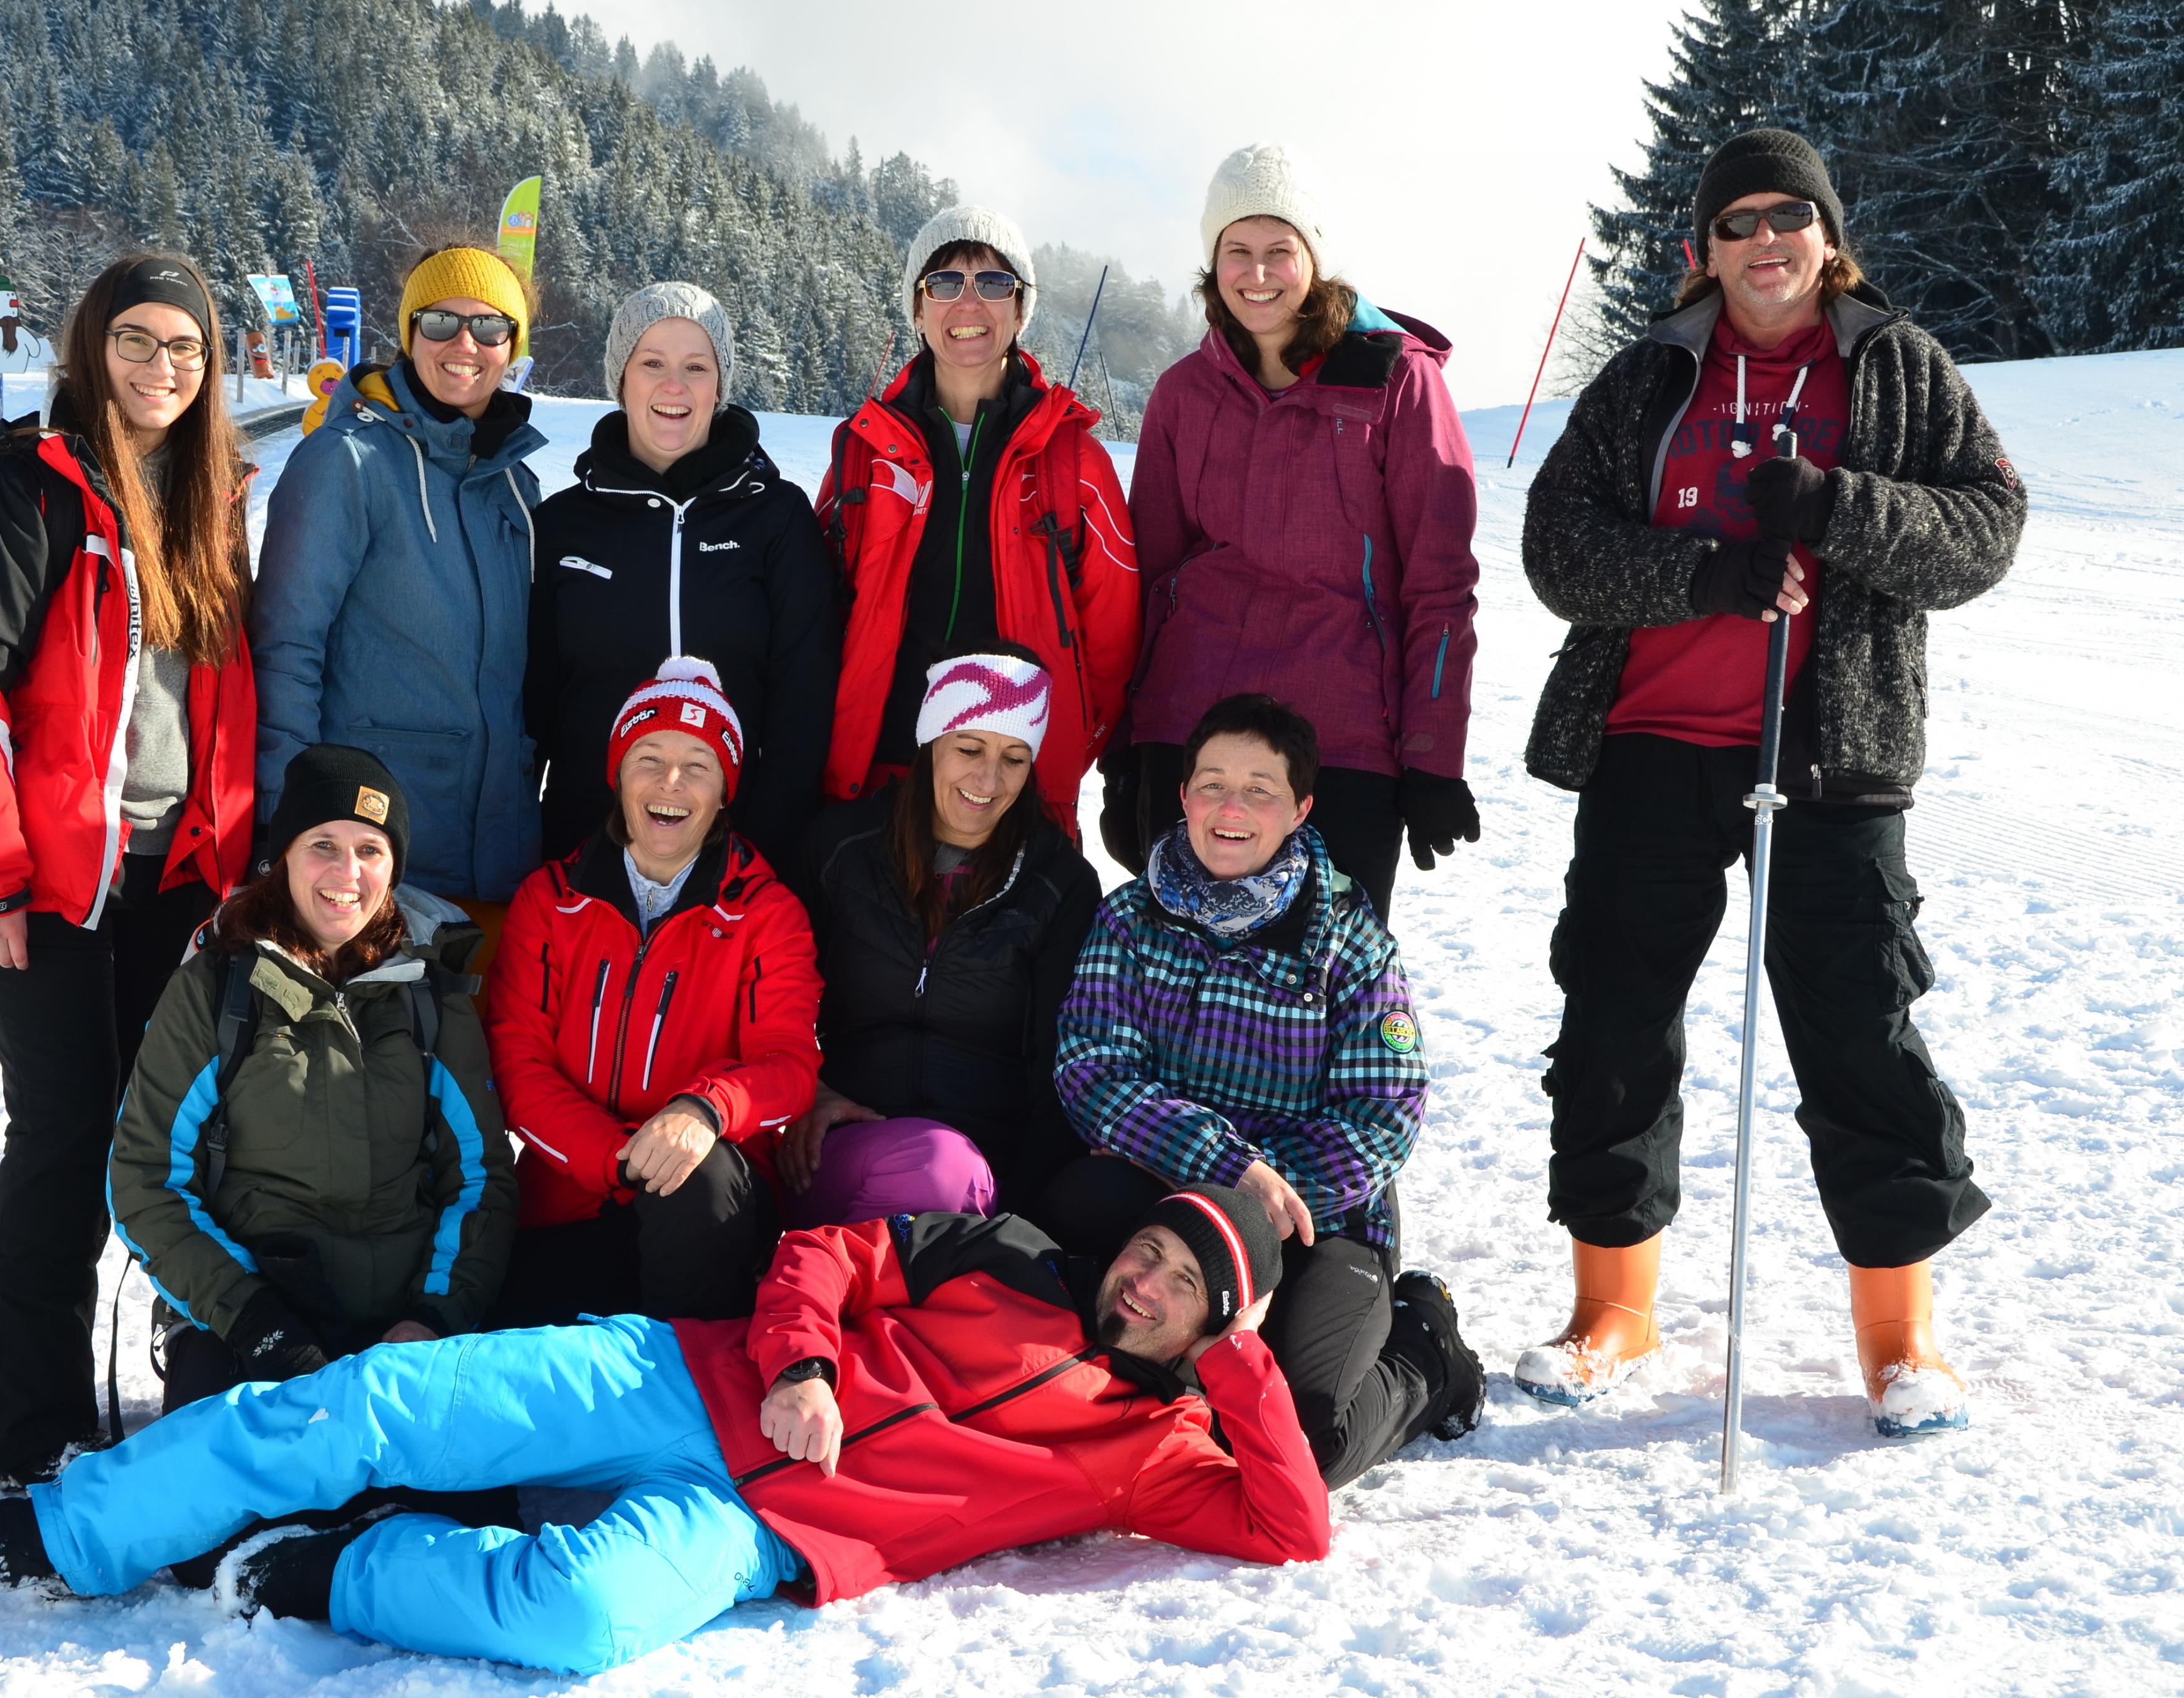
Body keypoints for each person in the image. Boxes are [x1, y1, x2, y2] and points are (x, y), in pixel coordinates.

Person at [0, 1184, 1328, 1675]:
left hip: (765, 1528)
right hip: (675, 1377)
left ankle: (324, 1567)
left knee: (580, 1617)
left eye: (1183, 1287)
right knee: (367, 1403)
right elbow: (827, 1252)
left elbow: (1290, 1525)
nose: (1143, 1281)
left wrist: (1243, 1358)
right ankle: (69, 1531)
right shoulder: (1008, 1252)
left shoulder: (1156, 1456)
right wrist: (804, 1363)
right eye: (1150, 1248)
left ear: (1215, 1325)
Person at [1515, 129, 2021, 1436]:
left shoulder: (1897, 365)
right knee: (1614, 1020)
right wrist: (1704, 574)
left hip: (1831, 753)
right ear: (1703, 249)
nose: (1763, 240)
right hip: (1651, 741)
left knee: (1858, 1028)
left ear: (1824, 234)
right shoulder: (1647, 376)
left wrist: (1842, 506)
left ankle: (1899, 1337)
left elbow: (1985, 529)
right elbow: (1557, 546)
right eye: (1735, 221)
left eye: (1786, 215)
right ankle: (1611, 1308)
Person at [0, 252, 257, 1482]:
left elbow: (219, 697)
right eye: (137, 340)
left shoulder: (211, 495)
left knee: (151, 1133)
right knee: (63, 1130)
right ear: (92, 346)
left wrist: (229, 859)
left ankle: (141, 1377)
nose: (162, 367)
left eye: (186, 348)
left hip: (170, 874)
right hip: (44, 877)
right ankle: (17, 1425)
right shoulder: (27, 487)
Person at [1045, 693, 1484, 1487]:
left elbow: (1383, 1116)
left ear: (1300, 808)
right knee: (1068, 1331)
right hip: (1168, 1193)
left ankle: (1425, 1352)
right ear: (1183, 795)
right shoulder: (1130, 919)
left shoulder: (1349, 937)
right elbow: (1092, 1071)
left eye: (1259, 790)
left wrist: (1263, 1200)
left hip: (1316, 1218)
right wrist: (1226, 1173)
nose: (1231, 809)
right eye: (1213, 785)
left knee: (1301, 1438)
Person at [106, 744, 520, 1580]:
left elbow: (479, 1179)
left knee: (471, 1525)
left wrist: (432, 1320)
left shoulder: (430, 995)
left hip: (396, 1322)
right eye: (323, 845)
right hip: (255, 1315)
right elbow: (144, 1178)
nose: (347, 873)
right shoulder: (217, 989)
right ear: (283, 858)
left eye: (371, 851)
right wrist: (256, 1321)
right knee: (207, 1540)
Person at [1110, 143, 1482, 924]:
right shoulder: (1183, 393)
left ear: (1312, 256)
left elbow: (1440, 584)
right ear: (1211, 263)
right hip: (1190, 731)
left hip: (1339, 742)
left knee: (1320, 979)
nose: (1257, 273)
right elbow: (1146, 581)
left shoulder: (1397, 383)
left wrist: (1431, 756)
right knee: (1174, 980)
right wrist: (1126, 746)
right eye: (1235, 251)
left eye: (1279, 250)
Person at [482, 659, 823, 1325]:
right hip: (570, 1192)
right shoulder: (549, 901)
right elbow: (517, 1063)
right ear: (618, 775)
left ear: (724, 791)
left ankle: (691, 1371)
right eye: (650, 759)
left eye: (698, 765)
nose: (672, 783)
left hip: (707, 1202)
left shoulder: (766, 912)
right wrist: (616, 1158)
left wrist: (704, 1110)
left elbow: (788, 1063)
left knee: (697, 1177)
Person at [814, 206, 1138, 841]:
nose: (968, 302)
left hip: (1015, 791)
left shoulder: (1073, 462)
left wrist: (1061, 752)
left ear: (1020, 312)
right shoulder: (863, 451)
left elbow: (1112, 645)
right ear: (918, 311)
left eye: (993, 282)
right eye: (944, 282)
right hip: (877, 780)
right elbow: (817, 618)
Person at [253, 245, 546, 905]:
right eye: (440, 322)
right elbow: (285, 648)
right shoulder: (347, 461)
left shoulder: (514, 485)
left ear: (512, 345)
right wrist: (284, 819)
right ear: (411, 334)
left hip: (499, 856)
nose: (465, 344)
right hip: (369, 856)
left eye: (489, 326)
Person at [527, 281, 842, 867]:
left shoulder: (775, 517)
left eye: (696, 367)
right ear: (621, 379)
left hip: (737, 855)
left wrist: (764, 849)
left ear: (719, 385)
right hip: (586, 850)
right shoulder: (563, 526)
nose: (674, 386)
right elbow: (533, 708)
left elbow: (804, 701)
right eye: (652, 364)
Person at [784, 647, 1100, 1222]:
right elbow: (771, 995)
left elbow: (1057, 1063)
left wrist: (1023, 1216)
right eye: (969, 749)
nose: (988, 779)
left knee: (942, 1172)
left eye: (1014, 758)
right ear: (932, 742)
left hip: (985, 1165)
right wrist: (807, 1087)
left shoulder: (1059, 883)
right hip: (843, 1141)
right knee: (931, 1170)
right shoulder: (841, 847)